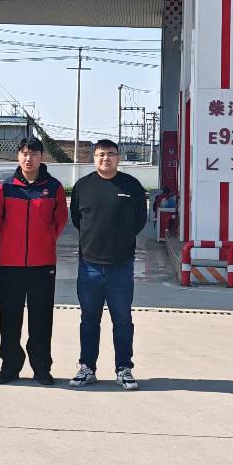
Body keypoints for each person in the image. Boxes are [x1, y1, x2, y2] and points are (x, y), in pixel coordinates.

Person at [68, 138, 148, 390]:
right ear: (94, 158)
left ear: (118, 157)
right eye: (101, 154)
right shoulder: (83, 186)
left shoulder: (131, 186)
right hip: (89, 265)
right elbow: (77, 220)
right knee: (89, 319)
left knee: (122, 320)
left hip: (120, 266)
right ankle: (87, 368)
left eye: (111, 154)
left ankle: (124, 369)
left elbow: (140, 220)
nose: (106, 158)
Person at [0, 137, 67, 385]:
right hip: (10, 263)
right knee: (9, 317)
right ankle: (10, 366)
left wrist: (43, 240)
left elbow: (59, 220)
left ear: (41, 157)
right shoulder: (6, 187)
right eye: (24, 153)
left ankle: (41, 367)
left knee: (41, 318)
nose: (28, 158)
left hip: (42, 263)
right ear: (18, 156)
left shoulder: (53, 187)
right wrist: (13, 241)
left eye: (34, 154)